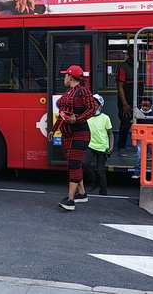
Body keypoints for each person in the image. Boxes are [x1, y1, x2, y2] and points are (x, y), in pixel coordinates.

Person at [47, 65, 97, 211]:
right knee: (72, 164)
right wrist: (53, 129)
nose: (63, 79)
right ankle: (81, 193)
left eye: (65, 76)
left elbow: (92, 109)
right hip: (67, 134)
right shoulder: (69, 92)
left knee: (74, 164)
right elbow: (63, 114)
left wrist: (78, 119)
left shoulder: (83, 91)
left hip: (80, 134)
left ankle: (70, 199)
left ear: (70, 77)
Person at [83, 94, 113, 196]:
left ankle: (103, 189)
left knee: (101, 170)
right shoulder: (87, 117)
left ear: (100, 106)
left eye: (95, 105)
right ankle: (93, 180)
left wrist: (111, 148)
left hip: (102, 147)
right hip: (90, 145)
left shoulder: (105, 118)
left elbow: (110, 134)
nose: (93, 107)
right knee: (85, 163)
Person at [116, 48, 144, 157]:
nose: (135, 55)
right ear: (128, 54)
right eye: (133, 53)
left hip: (139, 100)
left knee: (142, 124)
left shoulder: (141, 65)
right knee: (125, 125)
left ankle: (143, 148)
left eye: (137, 52)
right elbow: (120, 86)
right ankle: (121, 147)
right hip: (126, 101)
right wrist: (124, 104)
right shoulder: (123, 67)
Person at [132, 97, 153, 179]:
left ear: (151, 106)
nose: (145, 108)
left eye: (147, 106)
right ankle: (137, 172)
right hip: (141, 137)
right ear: (140, 105)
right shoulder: (137, 114)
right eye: (144, 105)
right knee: (139, 154)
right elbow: (132, 122)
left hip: (151, 137)